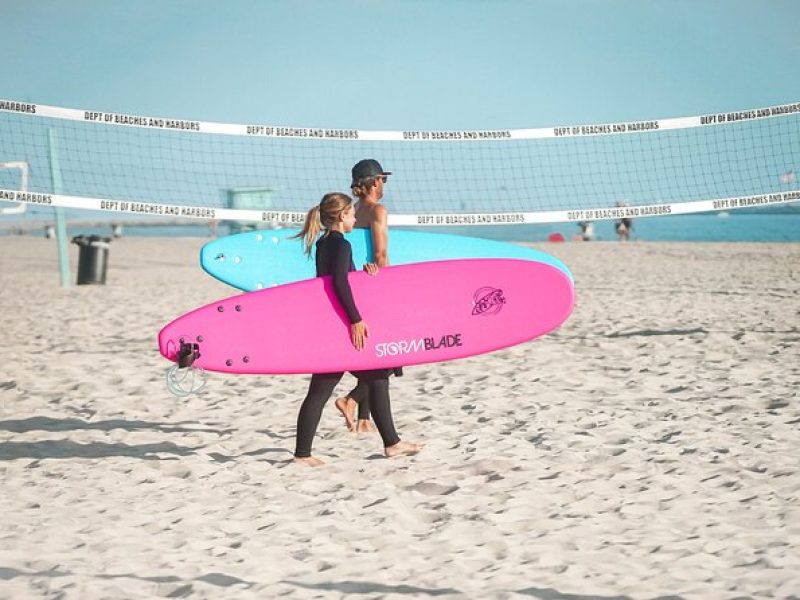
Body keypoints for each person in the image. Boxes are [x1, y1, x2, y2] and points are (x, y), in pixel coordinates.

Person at [292, 192, 422, 466]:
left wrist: (365, 275)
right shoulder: (341, 245)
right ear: (341, 216)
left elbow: (334, 281)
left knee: (367, 379)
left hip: (330, 323)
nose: (355, 218)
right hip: (342, 327)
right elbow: (339, 284)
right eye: (352, 214)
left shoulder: (324, 244)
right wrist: (355, 319)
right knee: (366, 379)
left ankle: (390, 443)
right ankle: (390, 443)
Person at [334, 159, 400, 433]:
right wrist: (387, 286)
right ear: (374, 182)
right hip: (375, 281)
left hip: (356, 282)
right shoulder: (377, 210)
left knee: (371, 351)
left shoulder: (353, 211)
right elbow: (380, 253)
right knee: (389, 355)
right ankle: (351, 399)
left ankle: (363, 419)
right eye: (383, 179)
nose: (384, 184)